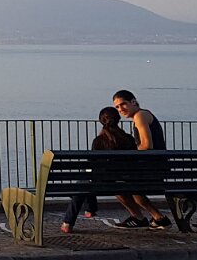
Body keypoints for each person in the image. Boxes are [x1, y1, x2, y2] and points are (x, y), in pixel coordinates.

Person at [61, 106, 137, 232]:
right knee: (85, 179)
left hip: (103, 182)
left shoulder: (99, 141)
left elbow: (92, 164)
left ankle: (68, 222)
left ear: (101, 121)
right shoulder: (129, 139)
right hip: (125, 180)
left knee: (82, 181)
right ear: (118, 119)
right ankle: (90, 209)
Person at [111, 89, 169, 228]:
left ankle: (139, 217)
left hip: (152, 168)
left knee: (114, 182)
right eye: (117, 107)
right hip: (156, 166)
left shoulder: (140, 116)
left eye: (123, 104)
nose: (120, 109)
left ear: (133, 102)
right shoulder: (142, 115)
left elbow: (147, 145)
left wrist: (129, 156)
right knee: (126, 182)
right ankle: (157, 218)